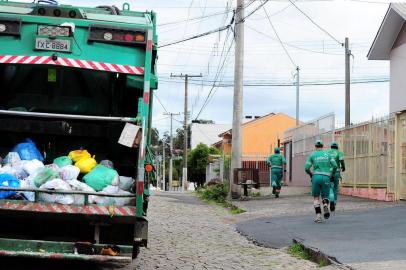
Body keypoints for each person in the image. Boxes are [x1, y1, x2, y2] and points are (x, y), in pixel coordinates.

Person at [305, 140, 337, 223]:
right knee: (325, 196)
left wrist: (310, 174)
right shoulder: (328, 154)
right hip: (326, 177)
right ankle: (325, 204)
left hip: (316, 177)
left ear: (315, 146)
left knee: (316, 197)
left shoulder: (312, 155)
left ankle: (318, 217)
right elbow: (335, 166)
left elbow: (306, 168)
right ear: (322, 146)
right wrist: (332, 174)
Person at [328, 141, 345, 212]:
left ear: (331, 147)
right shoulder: (339, 152)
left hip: (328, 172)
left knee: (329, 187)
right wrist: (343, 167)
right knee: (335, 187)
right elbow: (341, 160)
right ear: (337, 147)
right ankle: (334, 202)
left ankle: (330, 199)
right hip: (337, 172)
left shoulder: (327, 153)